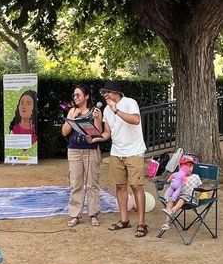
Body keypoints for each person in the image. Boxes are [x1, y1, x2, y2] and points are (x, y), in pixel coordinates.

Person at [98, 81, 149, 238]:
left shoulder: (129, 103)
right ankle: (124, 220)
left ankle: (141, 224)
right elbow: (108, 132)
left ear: (117, 92)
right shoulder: (106, 110)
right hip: (116, 152)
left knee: (136, 187)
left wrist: (117, 110)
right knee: (120, 186)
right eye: (104, 92)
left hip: (134, 152)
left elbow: (135, 120)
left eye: (108, 92)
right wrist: (96, 138)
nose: (105, 95)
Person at [62, 85, 104, 228]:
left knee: (93, 183)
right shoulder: (72, 111)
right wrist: (71, 118)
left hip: (91, 150)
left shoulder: (95, 111)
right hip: (74, 150)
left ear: (86, 96)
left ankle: (93, 214)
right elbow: (64, 132)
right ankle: (75, 214)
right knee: (76, 183)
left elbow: (99, 132)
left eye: (78, 95)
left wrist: (97, 119)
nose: (75, 98)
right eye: (74, 95)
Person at [159, 154, 203, 232]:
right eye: (186, 166)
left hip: (190, 198)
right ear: (180, 167)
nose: (189, 168)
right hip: (178, 196)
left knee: (182, 198)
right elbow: (173, 184)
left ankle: (172, 211)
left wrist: (198, 194)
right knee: (171, 199)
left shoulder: (196, 177)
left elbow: (199, 189)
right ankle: (167, 222)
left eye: (191, 166)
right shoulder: (178, 176)